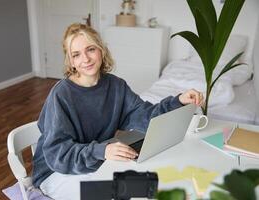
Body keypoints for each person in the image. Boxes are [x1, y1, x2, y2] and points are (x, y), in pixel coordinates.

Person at [32, 23, 204, 199]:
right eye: (76, 54)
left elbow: (146, 117)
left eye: (90, 49)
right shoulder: (61, 94)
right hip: (56, 172)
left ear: (101, 49)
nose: (85, 59)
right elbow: (57, 154)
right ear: (71, 61)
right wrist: (102, 151)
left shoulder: (116, 86)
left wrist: (179, 101)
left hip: (95, 162)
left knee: (148, 186)